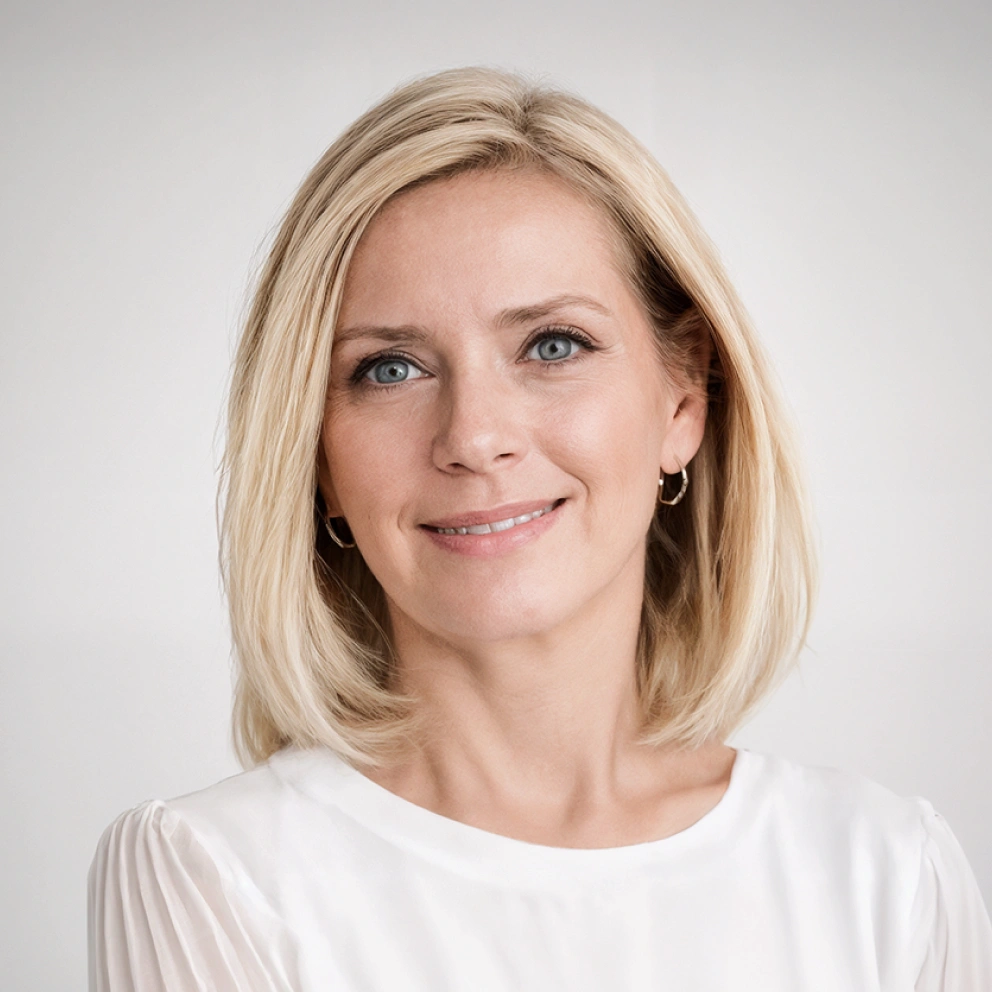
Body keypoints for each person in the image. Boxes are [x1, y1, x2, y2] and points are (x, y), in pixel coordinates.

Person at [87, 67, 992, 991]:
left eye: (553, 345)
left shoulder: (889, 878)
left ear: (683, 399)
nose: (474, 438)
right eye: (390, 368)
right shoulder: (214, 876)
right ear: (316, 458)